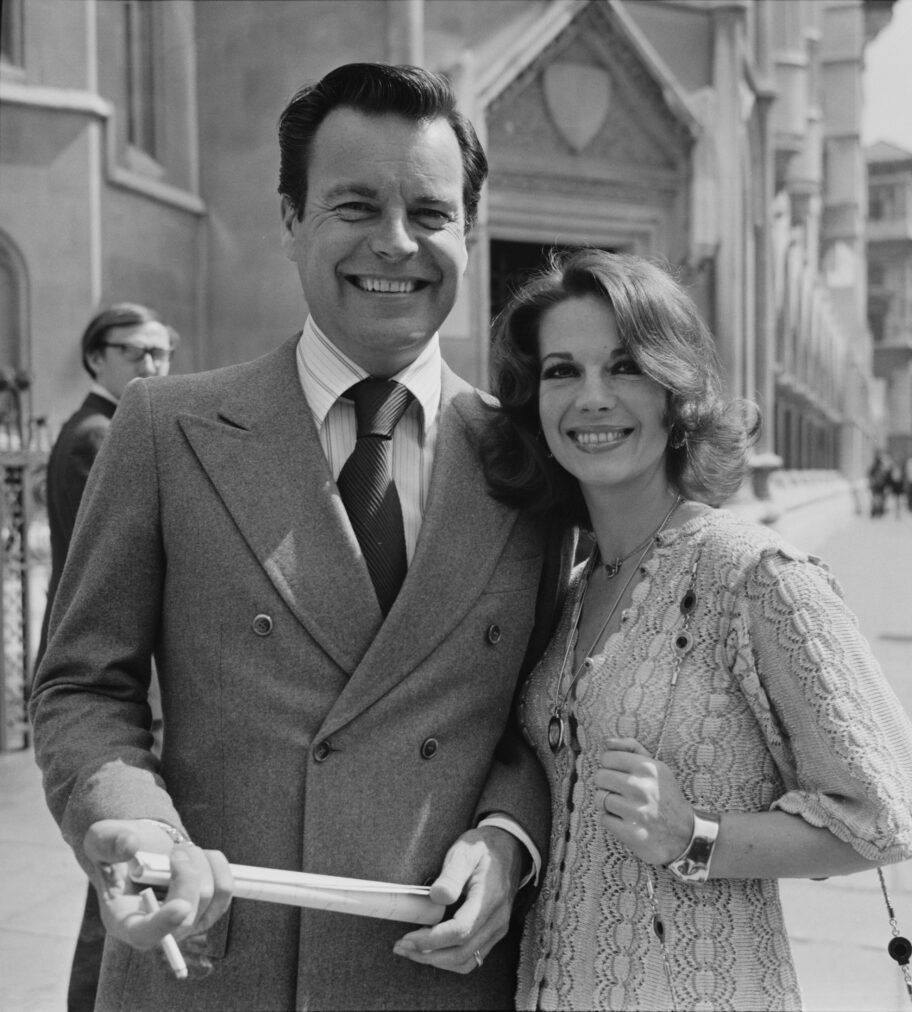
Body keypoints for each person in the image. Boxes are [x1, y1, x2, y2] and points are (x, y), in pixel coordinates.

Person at [31, 63, 570, 1011]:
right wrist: (128, 823)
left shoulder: (531, 463)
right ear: (290, 219)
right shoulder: (165, 428)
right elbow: (82, 683)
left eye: (432, 214)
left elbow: (546, 715)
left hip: (435, 972)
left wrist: (508, 840)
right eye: (354, 205)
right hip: (211, 961)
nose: (396, 243)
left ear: (471, 232)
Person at [480, 249, 912, 1011]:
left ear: (676, 395)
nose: (592, 398)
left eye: (626, 367)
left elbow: (903, 816)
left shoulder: (753, 574)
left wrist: (696, 837)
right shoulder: (572, 586)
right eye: (563, 371)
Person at [37, 302, 177, 1012]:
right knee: (122, 875)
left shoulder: (98, 427)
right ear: (97, 359)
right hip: (113, 668)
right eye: (137, 353)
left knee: (119, 876)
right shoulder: (100, 436)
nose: (154, 367)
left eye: (163, 354)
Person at [867, 451, 891, 518]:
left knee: (876, 499)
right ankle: (878, 511)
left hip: (877, 486)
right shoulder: (880, 469)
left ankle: (876, 511)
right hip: (879, 486)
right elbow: (886, 477)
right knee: (878, 499)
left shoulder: (874, 469)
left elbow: (870, 476)